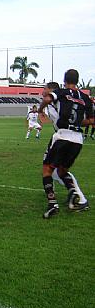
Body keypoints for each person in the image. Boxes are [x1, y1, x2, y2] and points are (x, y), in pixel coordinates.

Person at [39, 70, 93, 219]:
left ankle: (54, 204)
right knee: (61, 171)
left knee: (47, 170)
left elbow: (49, 99)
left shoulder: (60, 94)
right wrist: (76, 122)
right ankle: (74, 194)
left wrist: (40, 110)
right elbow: (91, 120)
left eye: (45, 89)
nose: (43, 91)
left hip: (62, 135)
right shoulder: (85, 97)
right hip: (77, 138)